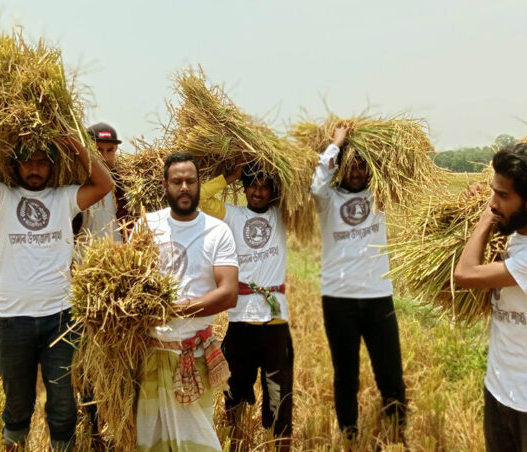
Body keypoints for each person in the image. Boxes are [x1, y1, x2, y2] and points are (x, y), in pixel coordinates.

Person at [0, 123, 114, 451]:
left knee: (63, 408)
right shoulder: (3, 198)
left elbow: (105, 183)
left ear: (52, 165)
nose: (34, 168)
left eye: (42, 161)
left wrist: (74, 141)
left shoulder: (64, 198)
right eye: (28, 161)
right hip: (13, 321)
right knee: (17, 408)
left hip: (61, 321)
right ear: (16, 165)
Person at [453, 143, 527, 452]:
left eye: (503, 196)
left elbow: (464, 275)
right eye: (494, 193)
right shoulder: (515, 235)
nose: (493, 203)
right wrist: (469, 209)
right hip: (498, 387)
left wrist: (482, 221)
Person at [136, 152, 239, 452]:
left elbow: (228, 293)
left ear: (199, 185)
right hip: (151, 354)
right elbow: (131, 282)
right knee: (150, 442)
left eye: (191, 181)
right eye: (177, 181)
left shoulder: (217, 231)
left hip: (191, 357)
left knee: (198, 444)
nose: (184, 187)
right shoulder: (147, 225)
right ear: (165, 185)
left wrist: (173, 310)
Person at [310, 126, 407, 440]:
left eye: (362, 164)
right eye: (350, 163)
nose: (356, 170)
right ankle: (349, 434)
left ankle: (397, 434)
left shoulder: (378, 196)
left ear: (370, 168)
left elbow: (399, 169)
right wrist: (336, 144)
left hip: (379, 296)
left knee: (390, 373)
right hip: (339, 299)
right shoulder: (328, 200)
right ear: (340, 166)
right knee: (346, 375)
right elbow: (316, 185)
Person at [198, 163, 293, 450]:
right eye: (252, 185)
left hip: (276, 323)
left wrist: (283, 172)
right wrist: (230, 176)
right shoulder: (233, 215)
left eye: (265, 186)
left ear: (273, 191)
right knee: (234, 394)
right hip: (241, 322)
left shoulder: (282, 216)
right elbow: (202, 198)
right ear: (244, 188)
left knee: (280, 395)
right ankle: (235, 443)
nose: (258, 191)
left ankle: (280, 445)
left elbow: (304, 194)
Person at [72, 122, 132, 242]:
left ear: (116, 149)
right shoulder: (75, 185)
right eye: (98, 150)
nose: (105, 157)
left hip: (118, 257)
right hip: (83, 258)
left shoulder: (125, 186)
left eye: (110, 150)